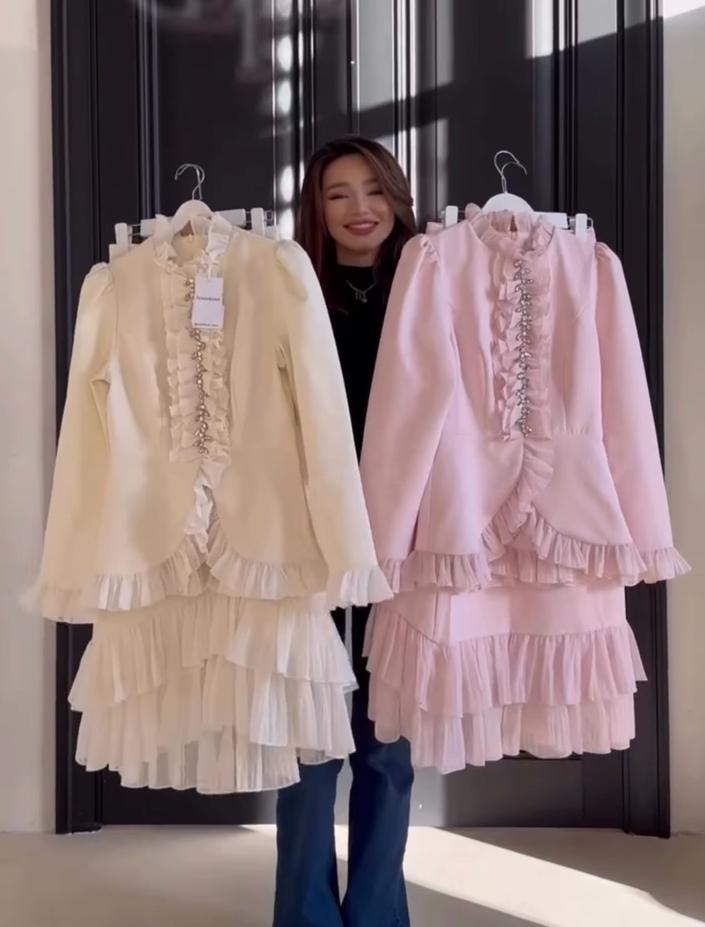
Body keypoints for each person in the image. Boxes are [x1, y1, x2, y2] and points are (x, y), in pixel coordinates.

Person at [273, 136, 417, 927]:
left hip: (406, 528)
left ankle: (378, 914)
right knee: (311, 735)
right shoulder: (291, 290)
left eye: (374, 189)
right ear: (317, 209)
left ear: (396, 195)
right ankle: (303, 915)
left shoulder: (431, 284)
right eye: (338, 194)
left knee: (387, 740)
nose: (361, 208)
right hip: (311, 525)